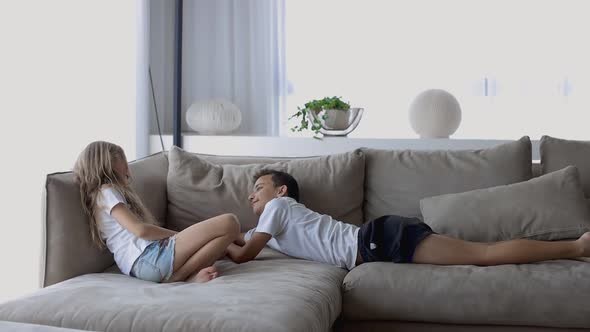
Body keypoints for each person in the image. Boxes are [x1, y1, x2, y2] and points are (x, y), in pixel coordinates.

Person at [226, 169, 590, 269]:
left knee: (485, 254)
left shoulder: (276, 211)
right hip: (377, 241)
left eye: (258, 186)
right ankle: (575, 247)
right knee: (483, 253)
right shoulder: (268, 225)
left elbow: (242, 253)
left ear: (281, 192)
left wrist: (224, 238)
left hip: (378, 240)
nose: (250, 194)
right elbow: (236, 240)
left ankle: (576, 246)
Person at [73, 141, 239, 283]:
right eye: (123, 163)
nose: (127, 170)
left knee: (218, 244)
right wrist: (176, 236)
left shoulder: (101, 196)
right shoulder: (107, 192)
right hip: (149, 258)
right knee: (229, 222)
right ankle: (178, 278)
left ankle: (184, 277)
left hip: (145, 265)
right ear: (108, 165)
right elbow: (141, 230)